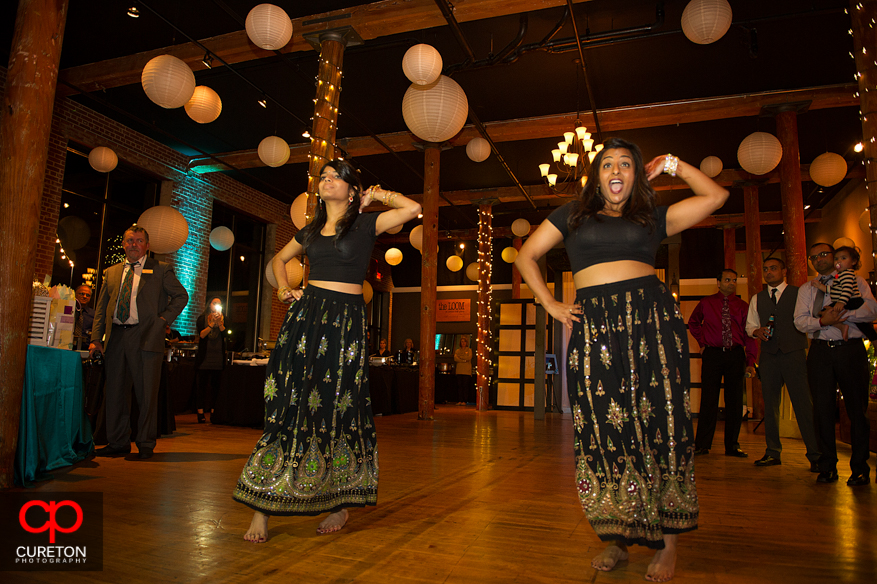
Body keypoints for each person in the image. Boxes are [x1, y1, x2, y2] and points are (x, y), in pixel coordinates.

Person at [515, 138, 728, 582]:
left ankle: (669, 545)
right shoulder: (572, 215)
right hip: (595, 331)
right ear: (596, 176)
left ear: (636, 175)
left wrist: (672, 163)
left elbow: (716, 196)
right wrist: (551, 304)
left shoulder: (652, 217)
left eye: (626, 164)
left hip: (651, 326)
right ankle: (616, 537)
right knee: (604, 429)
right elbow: (526, 256)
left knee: (660, 426)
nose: (616, 170)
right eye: (607, 163)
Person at [233, 160, 421, 542]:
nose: (326, 180)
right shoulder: (310, 230)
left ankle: (339, 502)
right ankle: (262, 507)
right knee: (290, 402)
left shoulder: (366, 224)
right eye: (324, 176)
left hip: (347, 324)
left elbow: (411, 209)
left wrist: (376, 196)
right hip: (307, 319)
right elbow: (278, 260)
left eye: (336, 177)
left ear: (352, 190)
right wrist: (286, 289)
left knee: (340, 406)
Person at [89, 226, 189, 460]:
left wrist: (163, 319)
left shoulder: (160, 269)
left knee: (146, 393)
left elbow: (181, 296)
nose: (134, 244)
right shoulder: (111, 272)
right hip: (116, 338)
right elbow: (102, 307)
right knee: (114, 392)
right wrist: (96, 338)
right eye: (129, 240)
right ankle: (118, 442)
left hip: (145, 336)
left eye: (139, 241)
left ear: (147, 245)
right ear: (123, 244)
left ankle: (145, 444)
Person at [793, 242, 875, 487]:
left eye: (823, 254)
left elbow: (871, 310)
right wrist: (821, 322)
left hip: (850, 351)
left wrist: (842, 315)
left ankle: (860, 468)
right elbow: (799, 321)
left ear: (836, 257)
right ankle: (827, 466)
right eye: (813, 257)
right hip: (819, 352)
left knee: (856, 411)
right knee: (822, 411)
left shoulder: (856, 281)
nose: (818, 259)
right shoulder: (808, 289)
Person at [745, 258, 819, 471]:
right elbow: (750, 326)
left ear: (784, 271)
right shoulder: (757, 298)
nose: (768, 273)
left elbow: (811, 320)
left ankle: (815, 454)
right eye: (765, 269)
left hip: (794, 353)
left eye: (773, 268)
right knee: (771, 405)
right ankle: (772, 452)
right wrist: (756, 331)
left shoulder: (799, 294)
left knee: (803, 404)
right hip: (768, 355)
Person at [688, 269, 757, 458]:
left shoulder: (743, 306)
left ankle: (732, 445)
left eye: (734, 280)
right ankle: (702, 445)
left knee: (734, 401)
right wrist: (702, 343)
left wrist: (750, 360)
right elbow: (693, 323)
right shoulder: (706, 303)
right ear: (718, 282)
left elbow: (749, 335)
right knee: (708, 399)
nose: (731, 283)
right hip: (713, 354)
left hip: (736, 355)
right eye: (727, 280)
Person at [810, 245, 877, 341]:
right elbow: (834, 290)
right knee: (862, 325)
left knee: (824, 312)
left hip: (852, 301)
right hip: (847, 300)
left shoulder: (848, 274)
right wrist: (821, 286)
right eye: (836, 258)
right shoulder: (840, 275)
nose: (839, 261)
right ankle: (873, 339)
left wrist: (841, 303)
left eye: (843, 258)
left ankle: (843, 327)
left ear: (853, 262)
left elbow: (847, 290)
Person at [195, 297, 226, 424]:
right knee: (201, 386)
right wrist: (211, 323)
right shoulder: (203, 318)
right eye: (215, 303)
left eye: (219, 304)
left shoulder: (224, 319)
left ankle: (214, 412)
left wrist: (219, 323)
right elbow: (202, 335)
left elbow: (227, 335)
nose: (217, 305)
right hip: (205, 357)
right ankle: (200, 412)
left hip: (218, 357)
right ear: (210, 305)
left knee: (216, 387)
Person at [453, 336, 473, 405]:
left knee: (465, 386)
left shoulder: (469, 350)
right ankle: (460, 400)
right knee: (459, 386)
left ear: (466, 343)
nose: (463, 343)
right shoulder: (457, 350)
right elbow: (455, 358)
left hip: (466, 372)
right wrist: (464, 360)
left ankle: (465, 400)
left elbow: (469, 357)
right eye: (462, 341)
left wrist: (461, 357)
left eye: (464, 341)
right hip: (459, 371)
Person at [74, 284, 95, 350]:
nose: (85, 296)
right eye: (82, 294)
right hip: (68, 346)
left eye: (88, 295)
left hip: (86, 348)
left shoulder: (93, 314)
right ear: (75, 294)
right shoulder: (69, 311)